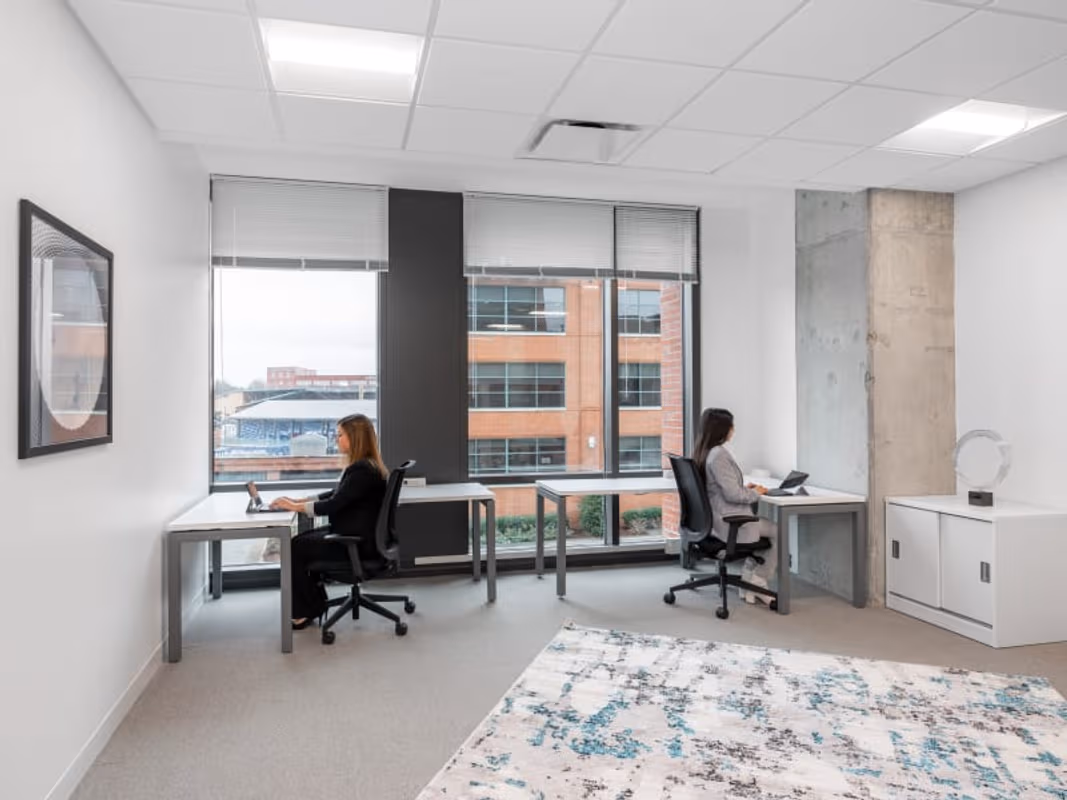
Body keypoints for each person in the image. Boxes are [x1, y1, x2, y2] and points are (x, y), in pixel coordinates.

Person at [270, 414, 388, 629]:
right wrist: (300, 501)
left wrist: (295, 507)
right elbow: (337, 494)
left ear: (355, 438)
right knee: (300, 542)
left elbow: (334, 504)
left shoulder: (362, 471)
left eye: (340, 435)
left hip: (354, 544)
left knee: (296, 547)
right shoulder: (367, 467)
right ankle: (313, 604)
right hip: (357, 537)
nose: (336, 439)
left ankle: (306, 611)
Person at [692, 407, 777, 606]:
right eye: (731, 425)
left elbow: (720, 488)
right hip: (728, 522)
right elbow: (732, 494)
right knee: (778, 531)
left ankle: (748, 579)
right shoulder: (718, 455)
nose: (733, 429)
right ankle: (758, 579)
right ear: (722, 429)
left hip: (713, 521)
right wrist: (756, 492)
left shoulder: (703, 452)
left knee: (768, 528)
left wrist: (744, 488)